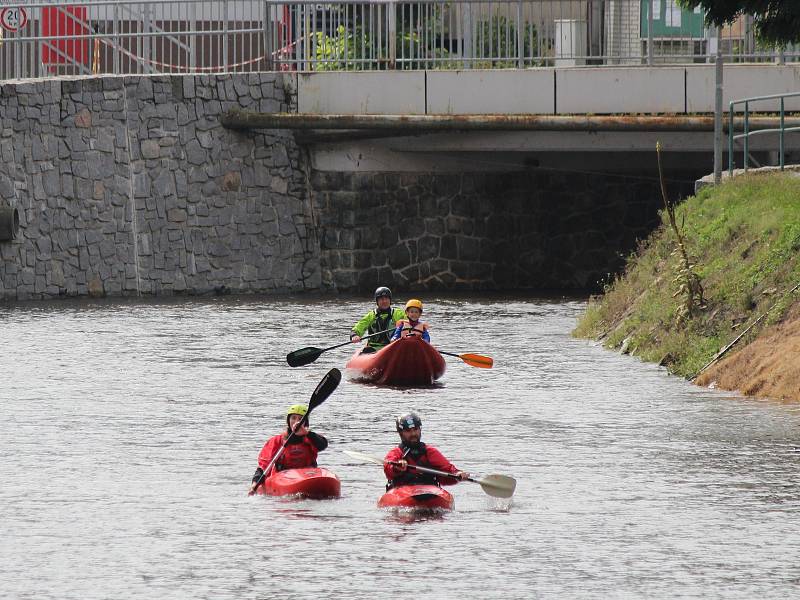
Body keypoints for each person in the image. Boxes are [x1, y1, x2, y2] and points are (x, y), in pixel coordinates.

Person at [248, 403, 328, 495]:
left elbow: (323, 445)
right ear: (288, 421)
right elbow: (263, 467)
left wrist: (307, 433)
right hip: (283, 477)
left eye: (300, 419)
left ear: (305, 422)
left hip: (308, 475)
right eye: (293, 418)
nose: (296, 422)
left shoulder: (310, 438)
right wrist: (255, 484)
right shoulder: (277, 441)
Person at [383, 412, 468, 490]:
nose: (413, 434)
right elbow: (388, 470)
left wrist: (457, 474)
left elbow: (447, 470)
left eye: (416, 429)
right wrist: (396, 468)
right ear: (401, 433)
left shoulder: (430, 452)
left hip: (429, 492)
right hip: (403, 491)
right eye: (408, 431)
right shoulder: (396, 453)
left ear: (420, 429)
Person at [350, 286, 406, 352]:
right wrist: (355, 335)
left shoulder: (398, 313)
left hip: (393, 346)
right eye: (381, 299)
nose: (384, 301)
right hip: (374, 348)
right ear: (377, 301)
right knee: (366, 350)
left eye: (386, 298)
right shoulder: (371, 315)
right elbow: (360, 326)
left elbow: (410, 322)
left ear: (390, 300)